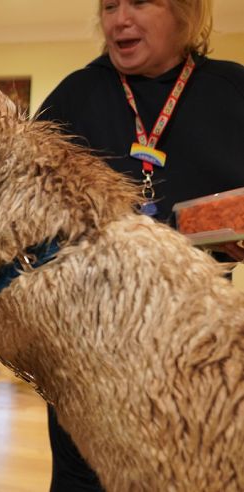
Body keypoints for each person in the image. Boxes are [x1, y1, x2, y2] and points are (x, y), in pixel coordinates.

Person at [36, 0, 244, 490]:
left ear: (184, 12)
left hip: (195, 352)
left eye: (139, 2)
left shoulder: (234, 91)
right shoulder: (73, 97)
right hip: (86, 348)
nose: (119, 19)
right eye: (109, 6)